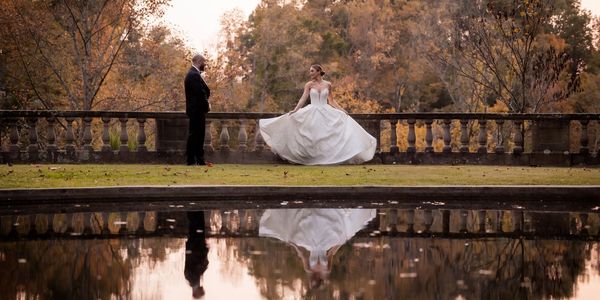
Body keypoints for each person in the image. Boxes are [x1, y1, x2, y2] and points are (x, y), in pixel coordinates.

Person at [259, 64, 376, 165]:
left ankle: (326, 158)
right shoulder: (309, 85)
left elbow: (331, 101)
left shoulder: (328, 85)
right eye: (310, 71)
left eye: (312, 71)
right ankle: (311, 158)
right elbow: (303, 99)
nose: (310, 73)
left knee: (327, 135)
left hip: (325, 111)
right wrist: (295, 110)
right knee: (311, 135)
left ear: (319, 72)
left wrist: (342, 110)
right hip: (312, 111)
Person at [259, 208, 376, 290]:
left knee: (300, 226)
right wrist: (342, 240)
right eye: (314, 282)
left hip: (310, 241)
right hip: (326, 241)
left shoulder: (309, 269)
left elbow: (302, 255)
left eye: (312, 282)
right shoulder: (327, 270)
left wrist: (292, 243)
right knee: (336, 227)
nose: (313, 280)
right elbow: (331, 254)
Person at [184, 54, 211, 165]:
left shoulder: (193, 74)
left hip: (195, 110)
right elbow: (200, 94)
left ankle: (196, 160)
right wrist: (207, 106)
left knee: (196, 135)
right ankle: (194, 160)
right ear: (199, 61)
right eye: (203, 62)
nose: (204, 65)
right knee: (197, 136)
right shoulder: (193, 75)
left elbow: (202, 92)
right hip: (197, 111)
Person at [184, 211, 209, 298]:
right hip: (196, 246)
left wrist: (204, 253)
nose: (203, 289)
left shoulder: (192, 279)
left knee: (195, 225)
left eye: (202, 291)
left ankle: (195, 211)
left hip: (196, 246)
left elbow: (196, 262)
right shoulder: (192, 279)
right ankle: (195, 211)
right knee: (196, 225)